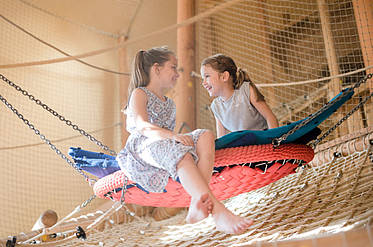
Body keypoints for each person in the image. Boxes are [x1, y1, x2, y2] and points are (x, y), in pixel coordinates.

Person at [116, 46, 253, 234]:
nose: (177, 74)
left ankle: (198, 199)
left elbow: (171, 140)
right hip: (143, 147)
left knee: (205, 135)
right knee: (181, 152)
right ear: (156, 69)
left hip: (163, 146)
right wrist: (173, 137)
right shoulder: (139, 93)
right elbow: (142, 126)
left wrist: (175, 139)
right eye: (173, 67)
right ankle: (219, 212)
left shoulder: (169, 103)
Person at [201, 54, 279, 138]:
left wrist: (274, 142)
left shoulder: (246, 90)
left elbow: (270, 117)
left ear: (224, 76)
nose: (203, 83)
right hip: (244, 145)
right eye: (203, 78)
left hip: (263, 140)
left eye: (207, 76)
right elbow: (221, 137)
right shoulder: (216, 106)